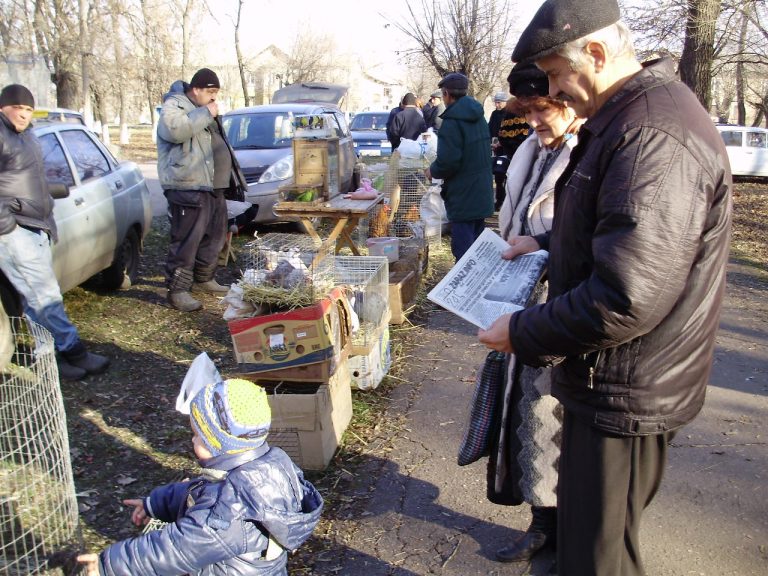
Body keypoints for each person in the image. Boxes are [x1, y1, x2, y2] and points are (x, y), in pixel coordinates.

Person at [478, 1, 732, 574]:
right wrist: (542, 249)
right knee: (592, 546)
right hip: (608, 379)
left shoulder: (651, 133)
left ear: (594, 52)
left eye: (553, 75)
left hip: (624, 388)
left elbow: (627, 293)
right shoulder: (627, 119)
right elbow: (606, 238)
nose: (552, 91)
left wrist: (522, 330)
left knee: (599, 558)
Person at [77, 378, 323, 575]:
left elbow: (177, 548)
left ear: (218, 444)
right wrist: (155, 503)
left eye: (197, 436)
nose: (192, 440)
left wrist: (108, 564)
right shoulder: (267, 464)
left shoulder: (228, 509)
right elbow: (198, 492)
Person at [487, 62, 582, 567]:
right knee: (528, 411)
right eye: (528, 114)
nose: (534, 124)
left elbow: (580, 235)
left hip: (560, 307)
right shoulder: (534, 149)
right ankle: (543, 522)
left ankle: (560, 527)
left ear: (567, 105)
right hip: (525, 299)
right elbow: (518, 212)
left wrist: (539, 243)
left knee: (549, 414)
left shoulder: (584, 154)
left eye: (542, 112)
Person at [0, 84, 110, 381]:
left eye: (27, 109)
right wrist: (6, 225)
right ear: (3, 107)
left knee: (34, 298)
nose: (23, 114)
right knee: (45, 294)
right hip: (13, 231)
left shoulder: (25, 136)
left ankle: (49, 357)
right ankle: (75, 351)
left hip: (34, 224)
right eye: (17, 108)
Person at [157, 67, 247, 312]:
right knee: (187, 239)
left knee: (216, 234)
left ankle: (204, 277)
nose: (213, 97)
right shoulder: (175, 106)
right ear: (195, 89)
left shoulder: (204, 109)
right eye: (210, 91)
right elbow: (175, 131)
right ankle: (178, 290)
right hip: (187, 184)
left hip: (213, 185)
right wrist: (205, 113)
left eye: (216, 92)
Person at [426, 73, 494, 261]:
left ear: (447, 94)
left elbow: (449, 161)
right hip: (481, 189)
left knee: (463, 251)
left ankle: (467, 288)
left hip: (463, 193)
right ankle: (479, 283)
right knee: (477, 245)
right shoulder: (479, 117)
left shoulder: (452, 121)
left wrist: (432, 170)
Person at [488, 91, 510, 210]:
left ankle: (506, 201)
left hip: (507, 149)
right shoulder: (494, 114)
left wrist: (502, 142)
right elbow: (490, 128)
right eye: (496, 102)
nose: (497, 105)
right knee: (498, 177)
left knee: (508, 177)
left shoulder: (510, 114)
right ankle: (499, 200)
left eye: (499, 102)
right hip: (496, 149)